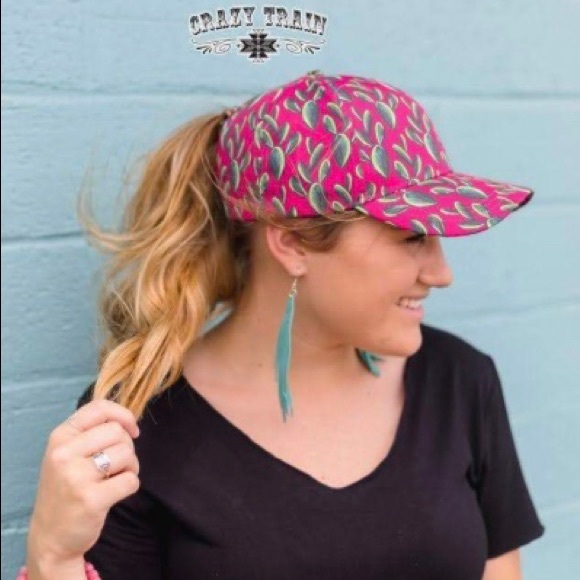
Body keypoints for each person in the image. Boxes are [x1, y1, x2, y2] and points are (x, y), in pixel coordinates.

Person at [20, 71, 545, 580]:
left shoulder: (459, 380)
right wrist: (53, 556)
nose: (441, 273)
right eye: (412, 236)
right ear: (291, 243)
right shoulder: (137, 421)